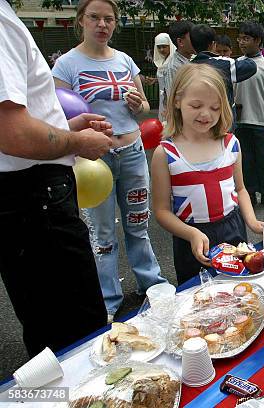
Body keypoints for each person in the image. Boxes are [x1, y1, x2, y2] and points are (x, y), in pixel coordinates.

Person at [0, 0, 113, 356]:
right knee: (77, 334)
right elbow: (12, 133)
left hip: (30, 195)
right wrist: (76, 141)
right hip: (34, 198)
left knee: (48, 320)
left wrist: (64, 128)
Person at [52, 0, 166, 322]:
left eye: (109, 19)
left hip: (131, 153)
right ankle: (107, 299)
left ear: (115, 23)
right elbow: (58, 114)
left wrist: (138, 104)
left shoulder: (126, 61)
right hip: (93, 162)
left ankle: (152, 284)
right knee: (101, 234)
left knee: (138, 224)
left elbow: (144, 106)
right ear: (81, 21)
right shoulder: (65, 65)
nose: (102, 24)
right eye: (94, 18)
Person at [151, 64, 264, 285]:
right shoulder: (166, 153)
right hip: (191, 235)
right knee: (198, 297)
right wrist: (191, 234)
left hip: (233, 228)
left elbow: (240, 189)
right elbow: (162, 211)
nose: (206, 114)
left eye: (215, 107)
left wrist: (251, 221)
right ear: (176, 101)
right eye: (196, 105)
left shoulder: (231, 144)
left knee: (240, 290)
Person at [234, 21, 264, 207]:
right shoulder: (236, 65)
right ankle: (250, 194)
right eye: (240, 38)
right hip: (241, 123)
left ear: (258, 40)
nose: (241, 42)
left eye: (246, 39)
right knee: (245, 162)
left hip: (262, 123)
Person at [190, 24, 256, 123]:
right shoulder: (224, 64)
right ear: (213, 44)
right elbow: (251, 66)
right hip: (222, 123)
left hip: (197, 121)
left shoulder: (186, 68)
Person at [162, 20, 195, 116]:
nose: (196, 39)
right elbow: (172, 98)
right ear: (180, 42)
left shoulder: (194, 60)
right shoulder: (173, 67)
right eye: (192, 37)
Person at [153, 33, 175, 121]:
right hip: (163, 98)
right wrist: (156, 80)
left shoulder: (173, 62)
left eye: (164, 46)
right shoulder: (162, 61)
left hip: (172, 98)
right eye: (159, 47)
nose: (161, 49)